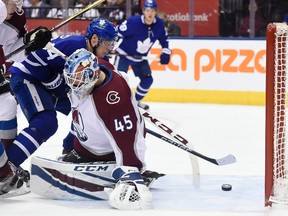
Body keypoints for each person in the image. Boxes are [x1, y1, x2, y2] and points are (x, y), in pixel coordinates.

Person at [0, 18, 117, 197]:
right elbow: (32, 56)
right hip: (28, 77)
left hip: (49, 87)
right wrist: (50, 79)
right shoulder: (72, 45)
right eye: (108, 43)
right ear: (94, 40)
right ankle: (7, 170)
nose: (110, 48)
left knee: (86, 107)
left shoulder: (99, 59)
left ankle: (71, 148)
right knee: (46, 122)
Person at [62, 48, 152, 210]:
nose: (74, 85)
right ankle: (82, 152)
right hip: (87, 145)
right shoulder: (97, 70)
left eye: (77, 80)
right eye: (72, 80)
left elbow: (128, 138)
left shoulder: (113, 100)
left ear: (91, 75)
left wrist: (131, 170)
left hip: (106, 152)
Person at [0, 0, 52, 198]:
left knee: (7, 104)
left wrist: (30, 43)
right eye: (12, 3)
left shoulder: (16, 16)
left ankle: (3, 172)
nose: (16, 8)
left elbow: (14, 51)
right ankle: (4, 173)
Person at [113, 0, 171, 110]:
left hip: (140, 58)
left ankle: (135, 102)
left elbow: (165, 40)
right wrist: (111, 47)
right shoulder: (133, 22)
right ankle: (117, 106)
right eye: (147, 10)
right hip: (124, 56)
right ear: (143, 11)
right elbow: (117, 32)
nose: (150, 13)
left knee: (147, 80)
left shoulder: (159, 25)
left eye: (152, 10)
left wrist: (166, 52)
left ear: (155, 12)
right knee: (118, 82)